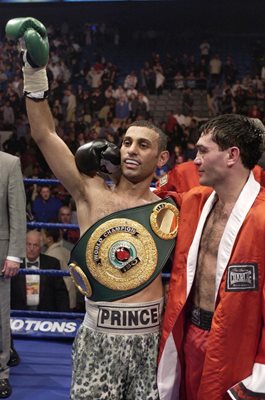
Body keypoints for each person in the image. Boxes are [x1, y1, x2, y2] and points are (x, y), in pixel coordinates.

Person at [6, 17, 178, 399]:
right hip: (99, 332)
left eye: (143, 145)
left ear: (162, 156)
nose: (131, 150)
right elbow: (44, 134)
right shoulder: (90, 192)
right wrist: (34, 72)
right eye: (127, 142)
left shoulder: (169, 209)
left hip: (151, 338)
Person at [156, 114, 265, 399]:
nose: (195, 160)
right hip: (190, 334)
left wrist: (261, 376)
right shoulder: (195, 201)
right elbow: (146, 200)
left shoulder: (264, 218)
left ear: (232, 155)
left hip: (238, 345)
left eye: (203, 150)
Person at [0, 150, 26, 398]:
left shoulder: (9, 163)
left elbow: (17, 211)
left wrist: (14, 254)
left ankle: (1, 373)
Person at [11, 230, 69, 312]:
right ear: (24, 245)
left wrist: (64, 318)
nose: (31, 248)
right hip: (19, 313)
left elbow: (61, 293)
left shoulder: (52, 263)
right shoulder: (14, 264)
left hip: (45, 313)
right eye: (29, 244)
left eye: (35, 245)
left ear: (41, 247)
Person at [42, 228, 76, 311]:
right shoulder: (65, 250)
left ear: (49, 239)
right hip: (70, 292)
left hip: (62, 295)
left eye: (42, 235)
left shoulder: (51, 256)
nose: (40, 237)